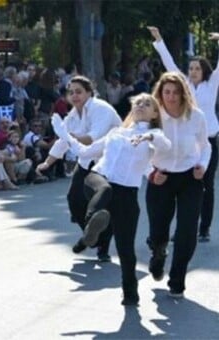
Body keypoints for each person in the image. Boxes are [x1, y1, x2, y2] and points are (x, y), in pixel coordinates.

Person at [51, 93, 171, 306]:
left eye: (147, 104)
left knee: (125, 249)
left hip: (126, 194)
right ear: (132, 110)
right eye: (138, 103)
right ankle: (91, 228)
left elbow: (163, 146)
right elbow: (86, 151)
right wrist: (65, 135)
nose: (141, 106)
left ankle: (130, 293)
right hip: (98, 179)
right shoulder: (116, 132)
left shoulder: (155, 135)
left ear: (155, 113)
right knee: (105, 190)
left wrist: (148, 141)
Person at [35, 75, 122, 261]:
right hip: (86, 160)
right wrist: (47, 163)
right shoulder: (73, 115)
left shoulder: (102, 109)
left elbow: (92, 138)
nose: (74, 96)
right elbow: (62, 141)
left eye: (79, 92)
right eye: (71, 92)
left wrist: (67, 135)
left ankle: (102, 248)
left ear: (89, 93)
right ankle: (92, 236)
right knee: (74, 199)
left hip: (109, 163)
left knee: (101, 203)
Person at [148, 26, 219, 242]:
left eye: (197, 68)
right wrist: (159, 39)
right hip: (183, 142)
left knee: (206, 185)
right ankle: (171, 229)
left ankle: (204, 228)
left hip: (207, 141)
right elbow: (169, 63)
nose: (193, 71)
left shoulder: (212, 83)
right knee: (178, 185)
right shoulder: (183, 85)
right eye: (191, 68)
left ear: (204, 70)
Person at [145, 71, 210, 299]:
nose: (171, 97)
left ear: (184, 94)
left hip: (189, 178)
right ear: (160, 94)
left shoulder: (196, 116)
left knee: (187, 231)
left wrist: (202, 164)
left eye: (176, 92)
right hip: (160, 177)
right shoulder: (152, 117)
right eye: (167, 92)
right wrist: (151, 173)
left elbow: (206, 146)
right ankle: (158, 251)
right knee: (158, 231)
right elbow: (138, 150)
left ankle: (177, 278)